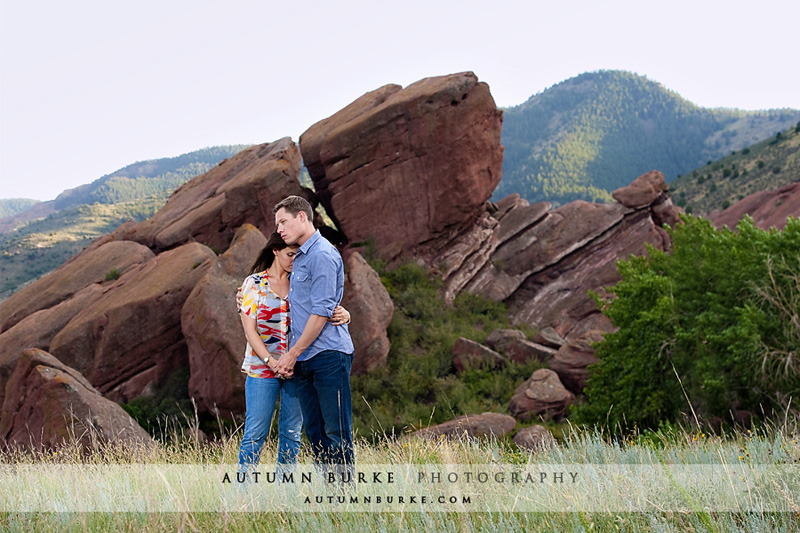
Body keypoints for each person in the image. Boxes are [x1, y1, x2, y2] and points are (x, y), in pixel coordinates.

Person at [237, 231, 350, 472]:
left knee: (291, 435)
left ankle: (285, 496)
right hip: (261, 369)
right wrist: (271, 362)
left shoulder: (302, 283)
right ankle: (242, 495)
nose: (294, 259)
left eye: (298, 254)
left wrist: (345, 314)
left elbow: (324, 308)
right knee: (255, 434)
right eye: (290, 254)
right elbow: (250, 331)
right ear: (275, 251)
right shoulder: (253, 284)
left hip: (297, 368)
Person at [272, 196, 355, 466]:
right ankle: (328, 500)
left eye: (283, 222)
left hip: (329, 356)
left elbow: (321, 312)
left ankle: (343, 502)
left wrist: (291, 354)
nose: (279, 230)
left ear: (302, 217)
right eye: (277, 225)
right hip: (306, 360)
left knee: (336, 433)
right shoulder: (300, 258)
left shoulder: (322, 254)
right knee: (316, 435)